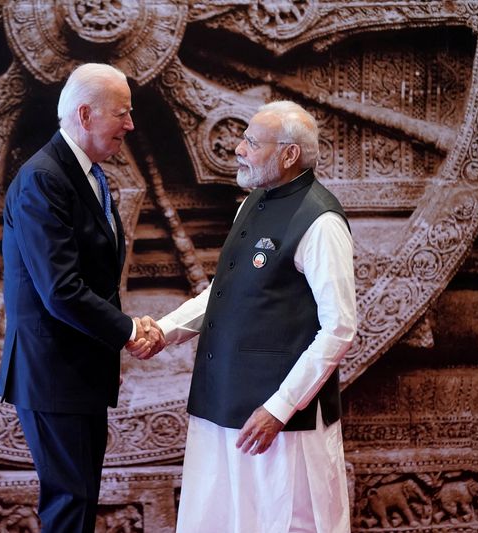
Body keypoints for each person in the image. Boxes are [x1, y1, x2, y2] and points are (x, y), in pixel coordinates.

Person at [137, 100, 356, 532]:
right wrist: (164, 331)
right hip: (221, 404)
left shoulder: (321, 221)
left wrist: (280, 408)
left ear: (289, 155)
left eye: (252, 142)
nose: (239, 149)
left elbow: (340, 327)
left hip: (277, 422)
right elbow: (225, 295)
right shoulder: (251, 203)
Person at [0, 63, 161, 533]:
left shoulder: (86, 174)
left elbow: (93, 276)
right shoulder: (44, 179)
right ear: (85, 115)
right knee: (70, 504)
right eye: (122, 114)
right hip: (53, 374)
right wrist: (128, 330)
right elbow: (60, 290)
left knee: (80, 500)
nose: (130, 125)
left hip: (78, 373)